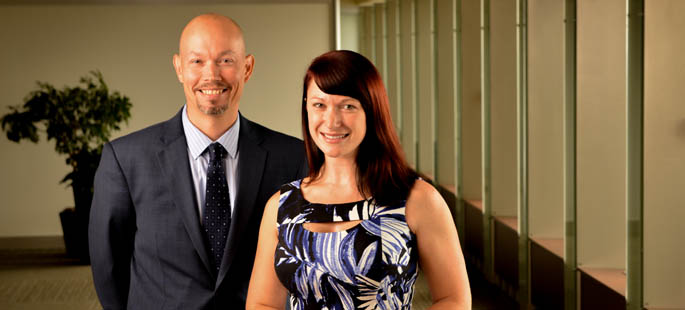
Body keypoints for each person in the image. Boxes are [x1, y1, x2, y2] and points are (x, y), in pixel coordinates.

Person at [88, 14, 306, 309]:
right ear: (179, 67)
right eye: (197, 61)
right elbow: (108, 267)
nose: (211, 75)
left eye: (226, 61)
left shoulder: (293, 157)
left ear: (248, 67)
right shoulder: (126, 159)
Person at [246, 50, 471, 309]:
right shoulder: (281, 205)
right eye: (319, 105)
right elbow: (262, 304)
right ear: (306, 108)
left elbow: (454, 300)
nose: (331, 120)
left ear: (372, 111)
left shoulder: (416, 199)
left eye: (348, 106)